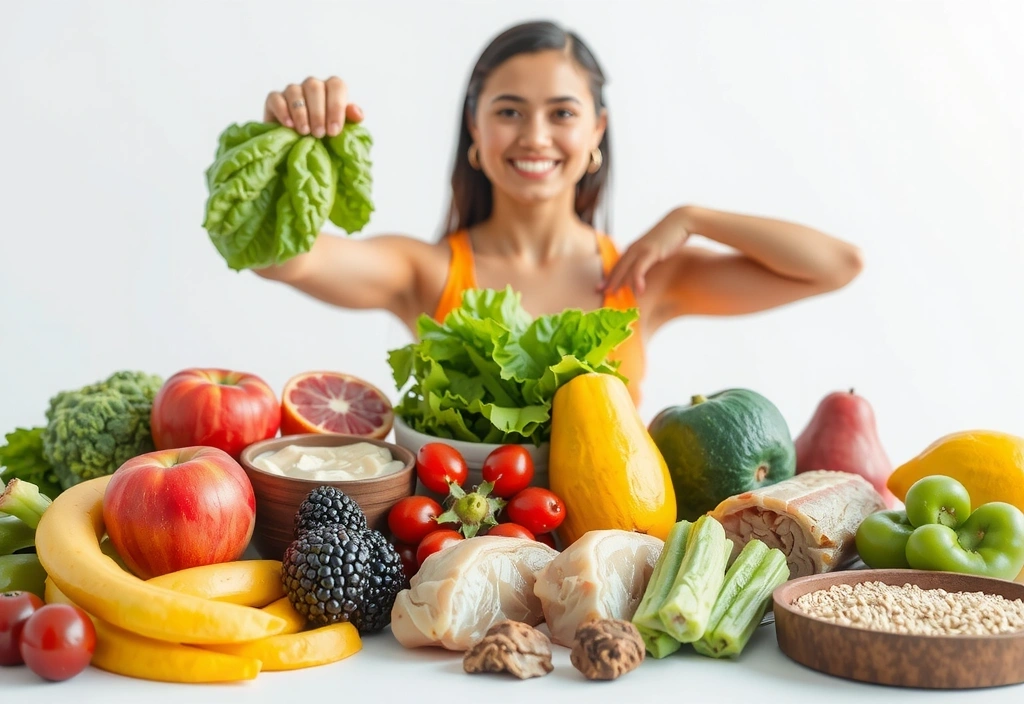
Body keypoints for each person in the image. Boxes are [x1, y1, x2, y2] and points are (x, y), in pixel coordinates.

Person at [252, 20, 863, 405]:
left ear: (597, 130)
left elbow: (836, 265)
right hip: (459, 567)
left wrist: (694, 216)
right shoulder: (425, 271)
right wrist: (291, 144)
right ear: (476, 126)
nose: (535, 136)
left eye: (562, 113)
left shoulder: (643, 278)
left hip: (613, 565)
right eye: (510, 111)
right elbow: (281, 259)